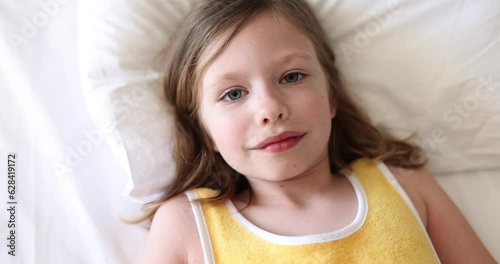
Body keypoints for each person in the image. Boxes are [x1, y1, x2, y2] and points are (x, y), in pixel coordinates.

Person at [139, 0, 496, 263]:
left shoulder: (404, 183)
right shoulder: (187, 223)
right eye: (233, 94)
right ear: (205, 131)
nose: (270, 109)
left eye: (292, 77)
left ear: (332, 97)